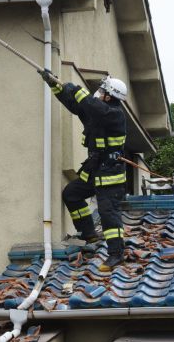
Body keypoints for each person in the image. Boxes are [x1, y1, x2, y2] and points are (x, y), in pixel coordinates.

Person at [39, 69, 128, 271]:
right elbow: (75, 105)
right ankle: (89, 234)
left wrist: (75, 88)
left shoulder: (114, 115)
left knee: (108, 212)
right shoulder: (97, 112)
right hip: (95, 169)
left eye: (102, 90)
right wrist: (55, 85)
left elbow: (89, 104)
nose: (98, 93)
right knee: (71, 194)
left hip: (110, 175)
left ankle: (116, 254)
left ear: (110, 96)